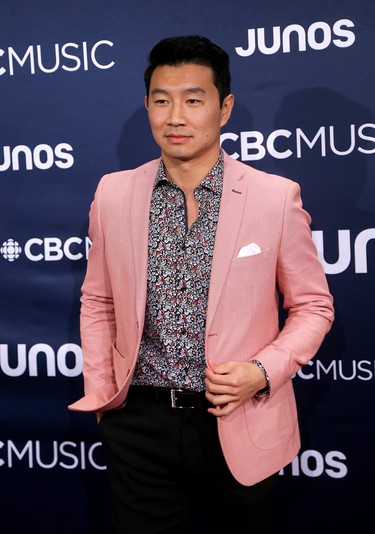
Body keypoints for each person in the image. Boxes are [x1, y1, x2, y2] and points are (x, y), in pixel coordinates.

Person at [69, 35, 334, 533]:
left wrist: (263, 370)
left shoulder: (274, 198)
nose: (176, 116)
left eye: (193, 100)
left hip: (239, 420)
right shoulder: (113, 193)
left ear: (224, 107)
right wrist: (105, 396)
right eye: (162, 100)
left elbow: (314, 306)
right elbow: (98, 299)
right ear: (147, 105)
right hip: (139, 423)